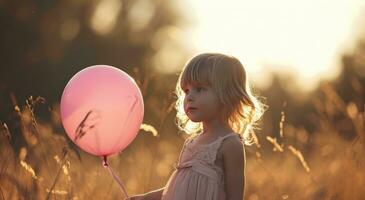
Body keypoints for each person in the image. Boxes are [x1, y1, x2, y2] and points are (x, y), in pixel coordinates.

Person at [127, 53, 266, 200]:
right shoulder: (191, 143)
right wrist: (146, 197)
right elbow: (177, 186)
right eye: (186, 91)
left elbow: (235, 195)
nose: (190, 97)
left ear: (227, 94)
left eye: (199, 89)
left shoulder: (230, 144)